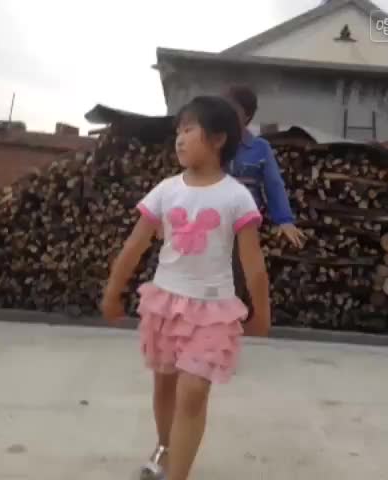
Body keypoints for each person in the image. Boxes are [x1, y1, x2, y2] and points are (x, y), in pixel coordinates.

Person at [101, 96, 270, 480]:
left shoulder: (236, 197)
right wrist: (112, 292)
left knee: (192, 392)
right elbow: (134, 245)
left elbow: (253, 263)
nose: (179, 138)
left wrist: (263, 312)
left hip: (212, 310)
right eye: (178, 130)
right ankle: (164, 447)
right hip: (166, 303)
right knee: (164, 386)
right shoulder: (165, 190)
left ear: (218, 139)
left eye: (189, 129)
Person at [224, 84, 305, 248]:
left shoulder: (260, 148)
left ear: (247, 115)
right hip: (213, 224)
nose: (226, 115)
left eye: (233, 110)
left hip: (245, 226)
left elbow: (274, 184)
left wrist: (284, 220)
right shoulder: (212, 145)